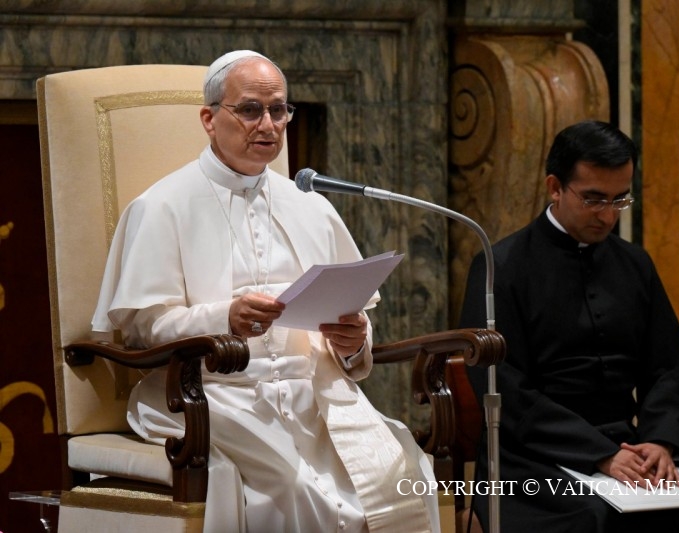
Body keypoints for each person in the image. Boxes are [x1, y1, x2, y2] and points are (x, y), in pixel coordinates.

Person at [92, 50, 439, 533]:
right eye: (251, 109)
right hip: (214, 394)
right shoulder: (161, 206)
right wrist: (223, 318)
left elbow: (350, 312)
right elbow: (142, 328)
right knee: (298, 491)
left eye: (279, 110)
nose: (269, 125)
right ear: (209, 119)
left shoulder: (310, 205)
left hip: (314, 395)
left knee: (403, 475)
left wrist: (354, 339)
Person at [459, 120, 679, 532]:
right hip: (531, 456)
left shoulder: (635, 264)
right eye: (594, 199)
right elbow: (503, 387)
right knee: (595, 519)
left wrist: (661, 441)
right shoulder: (499, 269)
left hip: (627, 444)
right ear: (555, 187)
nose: (608, 215)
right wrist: (598, 454)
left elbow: (667, 365)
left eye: (620, 199)